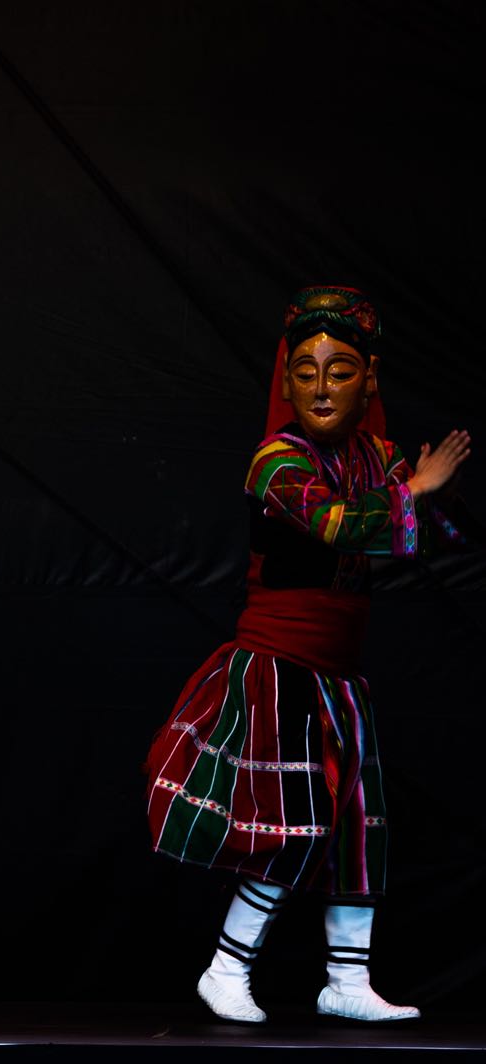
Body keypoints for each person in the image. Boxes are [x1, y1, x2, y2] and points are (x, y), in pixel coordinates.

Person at [145, 285, 469, 1024]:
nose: (322, 387)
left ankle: (346, 980)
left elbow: (420, 543)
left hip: (338, 674)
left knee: (357, 826)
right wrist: (414, 492)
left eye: (341, 370)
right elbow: (337, 527)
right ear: (286, 383)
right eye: (306, 372)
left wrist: (429, 497)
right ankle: (226, 967)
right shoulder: (276, 462)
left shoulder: (377, 458)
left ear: (370, 379)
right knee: (297, 822)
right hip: (280, 669)